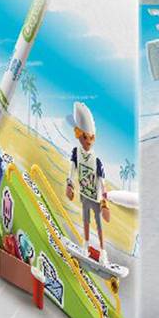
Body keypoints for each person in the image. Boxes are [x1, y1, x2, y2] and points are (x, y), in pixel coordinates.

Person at [67, 100, 111, 258]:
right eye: (86, 138)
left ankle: (103, 251)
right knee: (85, 221)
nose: (89, 142)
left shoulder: (96, 160)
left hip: (96, 198)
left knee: (99, 225)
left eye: (91, 138)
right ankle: (85, 245)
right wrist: (69, 184)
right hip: (85, 195)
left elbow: (102, 182)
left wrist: (105, 204)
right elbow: (72, 169)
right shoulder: (76, 153)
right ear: (79, 135)